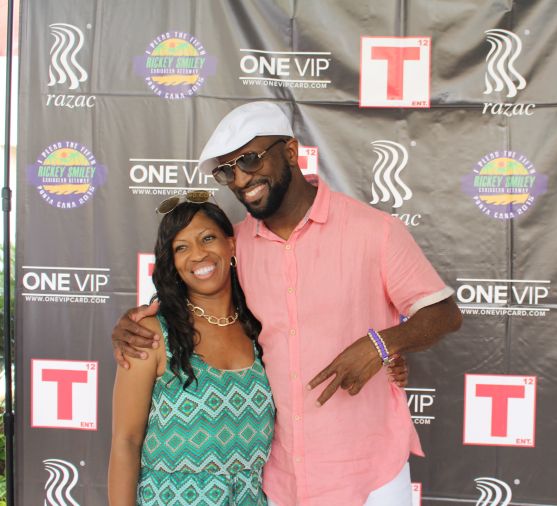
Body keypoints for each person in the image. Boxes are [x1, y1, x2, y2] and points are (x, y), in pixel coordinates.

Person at [112, 101, 463, 506]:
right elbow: (195, 288)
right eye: (227, 171)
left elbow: (444, 314)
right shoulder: (236, 244)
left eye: (250, 160)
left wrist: (381, 345)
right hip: (281, 480)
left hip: (371, 473)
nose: (241, 179)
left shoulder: (375, 231)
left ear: (291, 152)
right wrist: (133, 323)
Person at [108, 198, 275, 505]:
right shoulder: (151, 334)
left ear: (231, 245)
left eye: (207, 238)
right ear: (172, 263)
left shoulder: (262, 329)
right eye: (181, 247)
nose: (198, 254)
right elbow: (126, 442)